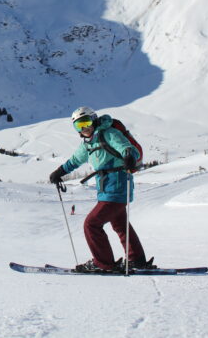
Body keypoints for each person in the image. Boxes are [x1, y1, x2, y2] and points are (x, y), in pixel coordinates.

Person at [49, 106, 152, 272]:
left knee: (91, 224)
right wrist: (59, 172)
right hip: (106, 189)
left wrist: (128, 156)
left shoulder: (109, 134)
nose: (84, 128)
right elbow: (74, 161)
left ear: (94, 120)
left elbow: (127, 148)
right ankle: (137, 260)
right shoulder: (88, 144)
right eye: (79, 126)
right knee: (120, 225)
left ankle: (103, 263)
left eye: (86, 122)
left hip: (117, 186)